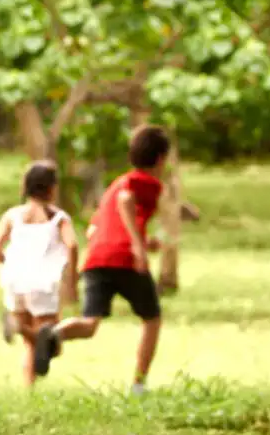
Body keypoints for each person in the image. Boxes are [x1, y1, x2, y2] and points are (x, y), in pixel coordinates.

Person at [34, 125, 170, 395]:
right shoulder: (147, 183)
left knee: (90, 324)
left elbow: (94, 229)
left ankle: (54, 334)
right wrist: (137, 246)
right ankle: (139, 384)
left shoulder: (115, 183)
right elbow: (126, 201)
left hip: (97, 258)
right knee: (152, 319)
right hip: (126, 259)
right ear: (161, 158)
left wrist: (143, 240)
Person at [0, 160, 77, 386]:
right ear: (52, 188)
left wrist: (11, 263)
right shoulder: (58, 218)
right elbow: (73, 245)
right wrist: (71, 278)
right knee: (52, 344)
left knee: (33, 343)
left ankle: (29, 389)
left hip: (15, 280)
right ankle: (18, 328)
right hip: (43, 284)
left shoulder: (13, 215)